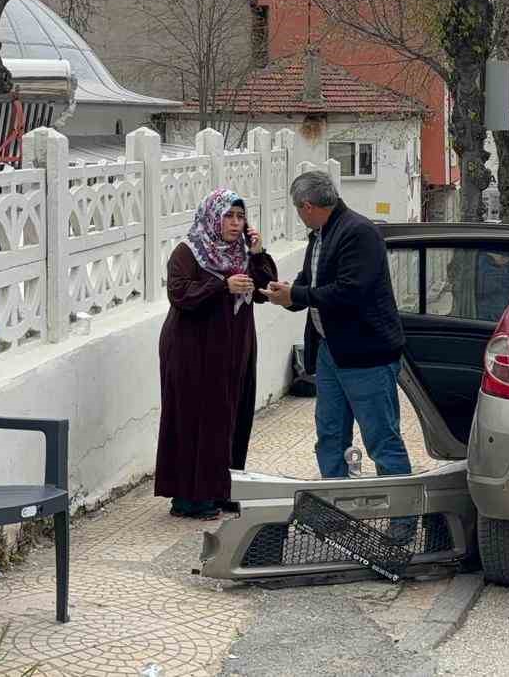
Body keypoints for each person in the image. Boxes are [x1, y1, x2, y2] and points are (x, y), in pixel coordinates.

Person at [265, 171, 411, 480]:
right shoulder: (320, 235)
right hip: (330, 351)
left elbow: (350, 292)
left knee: (381, 440)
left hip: (366, 355)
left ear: (307, 206)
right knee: (330, 437)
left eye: (298, 210)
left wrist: (297, 294)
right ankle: (334, 502)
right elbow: (310, 283)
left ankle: (401, 510)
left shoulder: (358, 232)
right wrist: (286, 295)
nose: (299, 216)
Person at [155, 187, 277, 519]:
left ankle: (223, 488)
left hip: (234, 350)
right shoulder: (188, 252)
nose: (236, 223)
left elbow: (264, 291)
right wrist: (222, 286)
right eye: (228, 216)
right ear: (212, 218)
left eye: (241, 216)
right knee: (195, 419)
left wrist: (258, 253)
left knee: (232, 417)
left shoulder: (242, 253)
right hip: (192, 351)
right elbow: (180, 295)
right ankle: (190, 498)